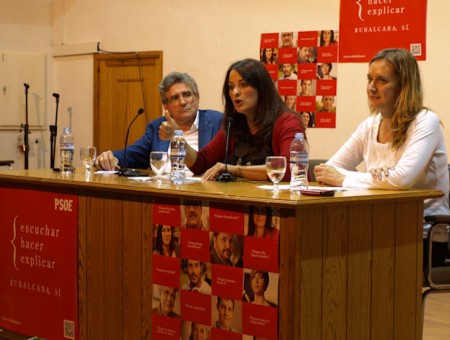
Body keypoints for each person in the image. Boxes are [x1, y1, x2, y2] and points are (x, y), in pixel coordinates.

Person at [313, 48, 450, 266]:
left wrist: (345, 179)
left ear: (404, 86)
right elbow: (327, 170)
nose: (371, 88)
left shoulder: (426, 121)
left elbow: (401, 180)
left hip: (422, 235)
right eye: (369, 79)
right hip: (375, 227)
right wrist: (356, 178)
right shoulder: (370, 125)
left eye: (382, 80)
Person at [160, 59, 305, 181]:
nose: (235, 92)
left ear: (261, 88)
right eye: (231, 87)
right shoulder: (234, 124)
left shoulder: (288, 122)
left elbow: (289, 169)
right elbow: (200, 163)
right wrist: (176, 136)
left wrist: (235, 170)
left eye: (243, 85)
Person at [95, 72, 223, 170]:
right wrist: (109, 157)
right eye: (174, 98)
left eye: (187, 94)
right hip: (163, 193)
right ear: (166, 105)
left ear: (197, 97)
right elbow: (133, 155)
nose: (183, 102)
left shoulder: (218, 122)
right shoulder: (157, 127)